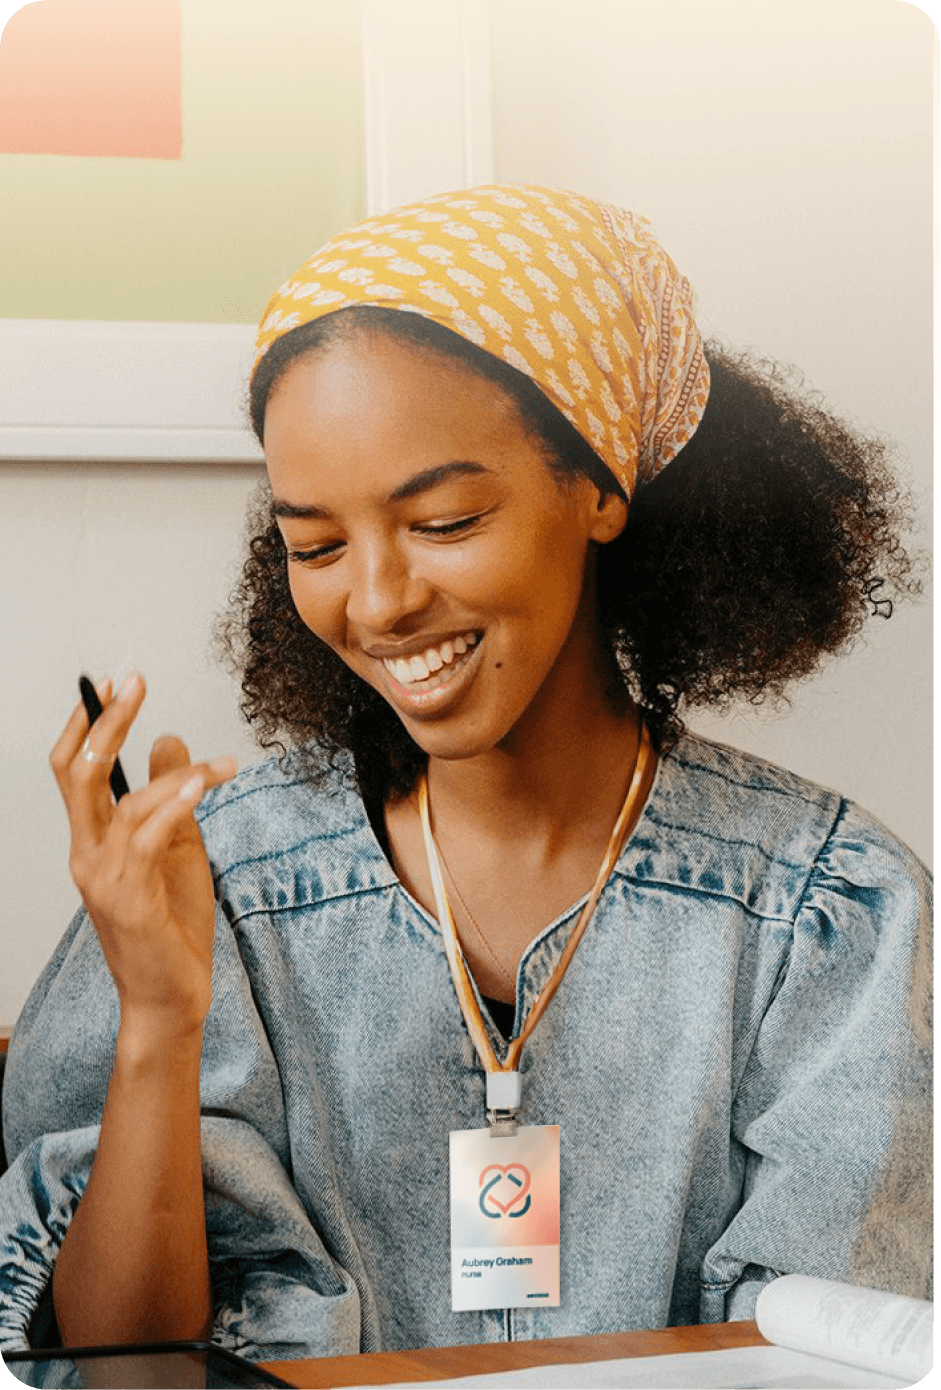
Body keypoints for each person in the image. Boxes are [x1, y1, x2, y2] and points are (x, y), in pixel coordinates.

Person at [0, 185, 931, 1364]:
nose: (378, 600)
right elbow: (115, 1359)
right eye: (315, 544)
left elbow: (830, 1354)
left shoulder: (831, 917)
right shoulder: (216, 880)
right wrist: (159, 1020)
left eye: (441, 520)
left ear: (597, 487)